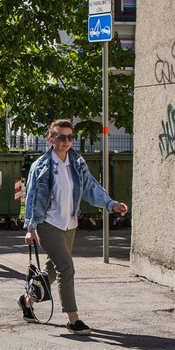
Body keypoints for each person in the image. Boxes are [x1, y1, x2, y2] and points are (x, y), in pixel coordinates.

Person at [20, 119, 129, 334]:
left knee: (53, 268)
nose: (66, 141)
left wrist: (111, 204)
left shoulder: (77, 163)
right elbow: (32, 197)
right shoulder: (40, 166)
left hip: (70, 224)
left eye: (70, 137)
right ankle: (73, 320)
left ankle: (27, 300)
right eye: (61, 137)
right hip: (47, 224)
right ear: (50, 139)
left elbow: (90, 187)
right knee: (67, 268)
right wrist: (30, 228)